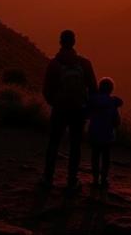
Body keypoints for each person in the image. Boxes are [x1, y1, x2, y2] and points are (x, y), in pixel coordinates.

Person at [41, 29, 97, 190]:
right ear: (74, 42)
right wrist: (87, 107)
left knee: (53, 143)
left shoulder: (54, 64)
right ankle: (72, 181)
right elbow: (93, 88)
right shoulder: (84, 63)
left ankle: (47, 178)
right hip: (78, 110)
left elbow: (46, 90)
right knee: (75, 145)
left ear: (60, 42)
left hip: (59, 109)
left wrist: (55, 103)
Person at [87, 77, 124, 188]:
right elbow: (116, 121)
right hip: (107, 134)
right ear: (111, 89)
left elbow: (87, 114)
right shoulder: (113, 103)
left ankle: (94, 179)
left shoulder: (93, 100)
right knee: (106, 158)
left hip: (94, 132)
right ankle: (104, 179)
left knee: (95, 156)